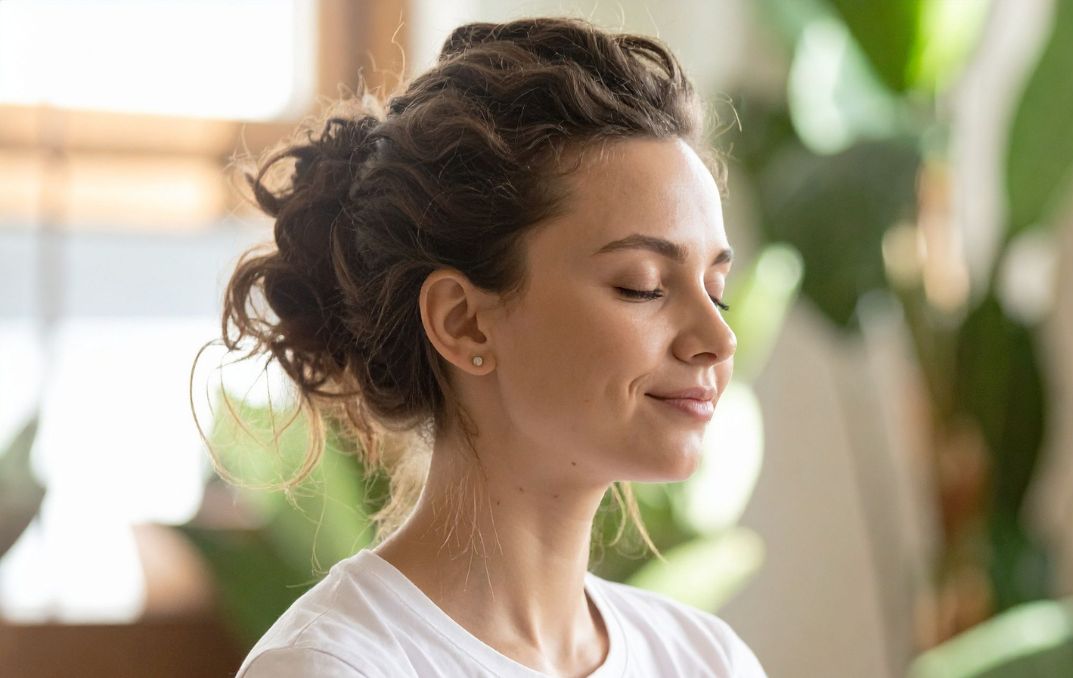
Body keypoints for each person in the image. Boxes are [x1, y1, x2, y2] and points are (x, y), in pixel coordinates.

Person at [218, 15, 764, 677]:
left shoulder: (706, 661)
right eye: (642, 286)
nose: (717, 338)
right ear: (464, 323)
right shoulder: (335, 666)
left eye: (716, 288)